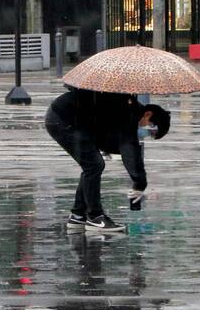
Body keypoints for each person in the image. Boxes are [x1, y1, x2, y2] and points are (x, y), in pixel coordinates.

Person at [45, 87, 171, 233]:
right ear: (148, 114)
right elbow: (129, 150)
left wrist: (139, 183)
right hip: (63, 118)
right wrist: (139, 183)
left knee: (93, 166)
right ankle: (95, 217)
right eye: (152, 128)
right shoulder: (130, 113)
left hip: (67, 118)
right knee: (94, 166)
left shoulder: (129, 107)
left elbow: (118, 142)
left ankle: (78, 215)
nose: (147, 132)